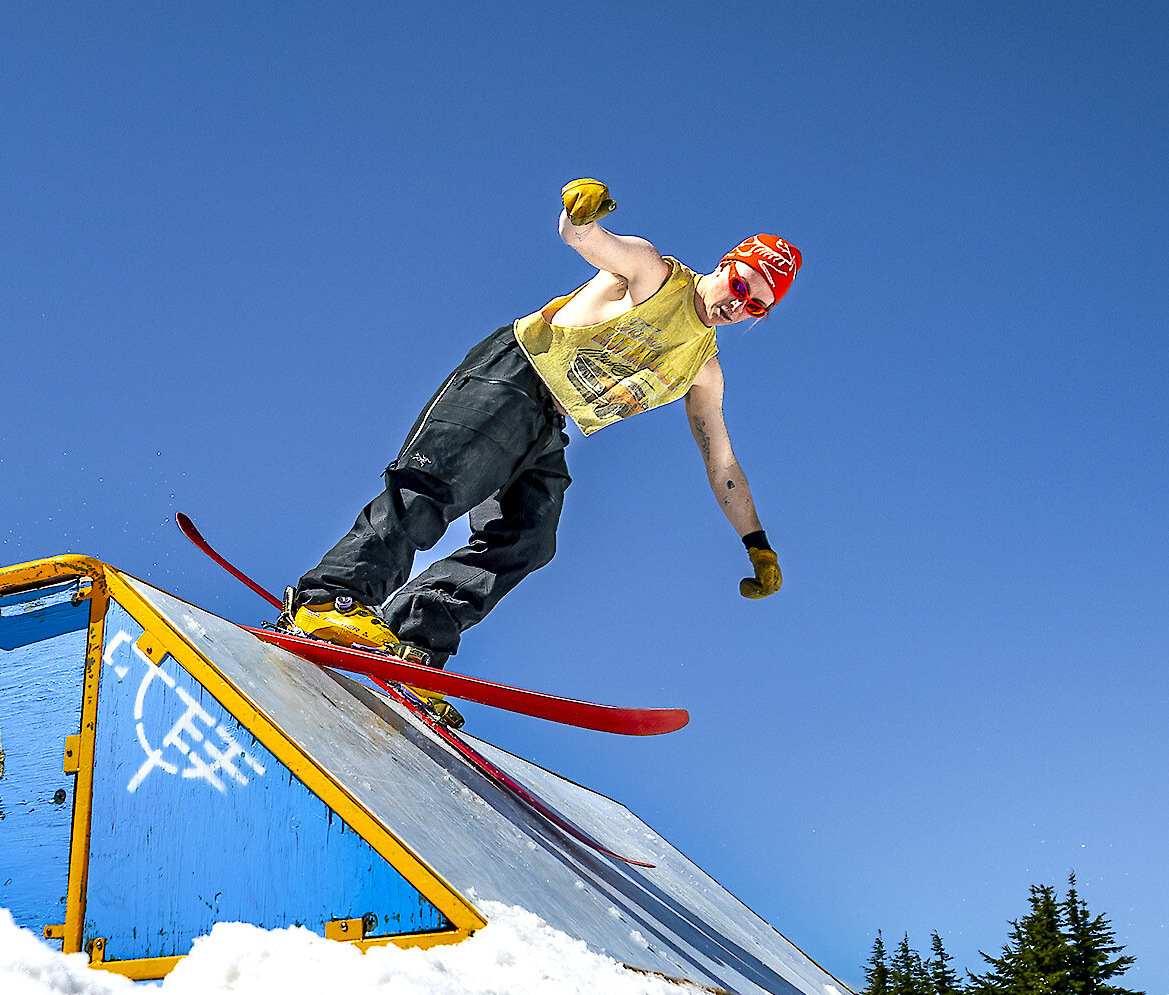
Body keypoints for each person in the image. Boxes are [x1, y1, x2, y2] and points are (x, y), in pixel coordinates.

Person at [286, 178, 800, 726]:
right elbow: (585, 239)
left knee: (529, 539)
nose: (739, 306)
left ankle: (414, 646)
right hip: (513, 375)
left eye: (756, 308)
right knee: (435, 488)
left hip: (550, 424)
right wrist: (581, 213)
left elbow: (721, 463)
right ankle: (329, 599)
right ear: (727, 266)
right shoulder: (654, 273)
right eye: (741, 288)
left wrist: (756, 543)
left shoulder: (704, 369)